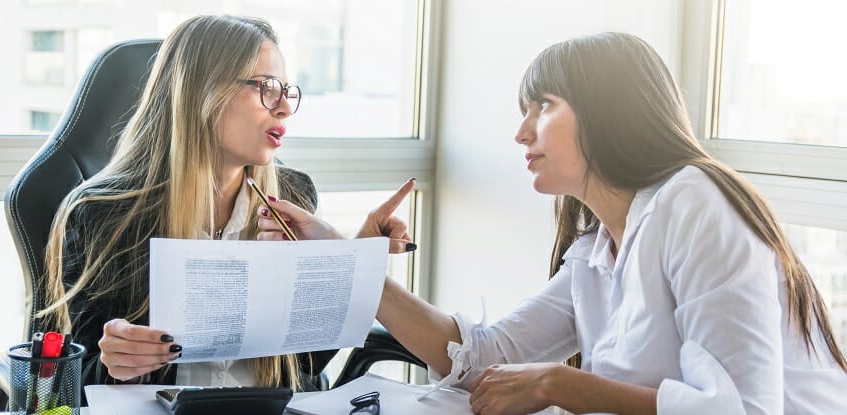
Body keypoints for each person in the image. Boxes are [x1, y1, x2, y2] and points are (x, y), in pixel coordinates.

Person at [257, 32, 847, 414]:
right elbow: (483, 354)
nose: (522, 132)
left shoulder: (695, 203)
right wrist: (341, 256)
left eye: (544, 106)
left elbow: (747, 411)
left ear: (609, 110)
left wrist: (564, 385)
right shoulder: (597, 249)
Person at [37, 15, 336, 390]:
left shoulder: (293, 197)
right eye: (265, 87)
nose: (283, 108)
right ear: (202, 92)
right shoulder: (103, 212)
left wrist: (345, 271)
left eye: (286, 91)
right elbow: (71, 381)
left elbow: (307, 363)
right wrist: (117, 361)